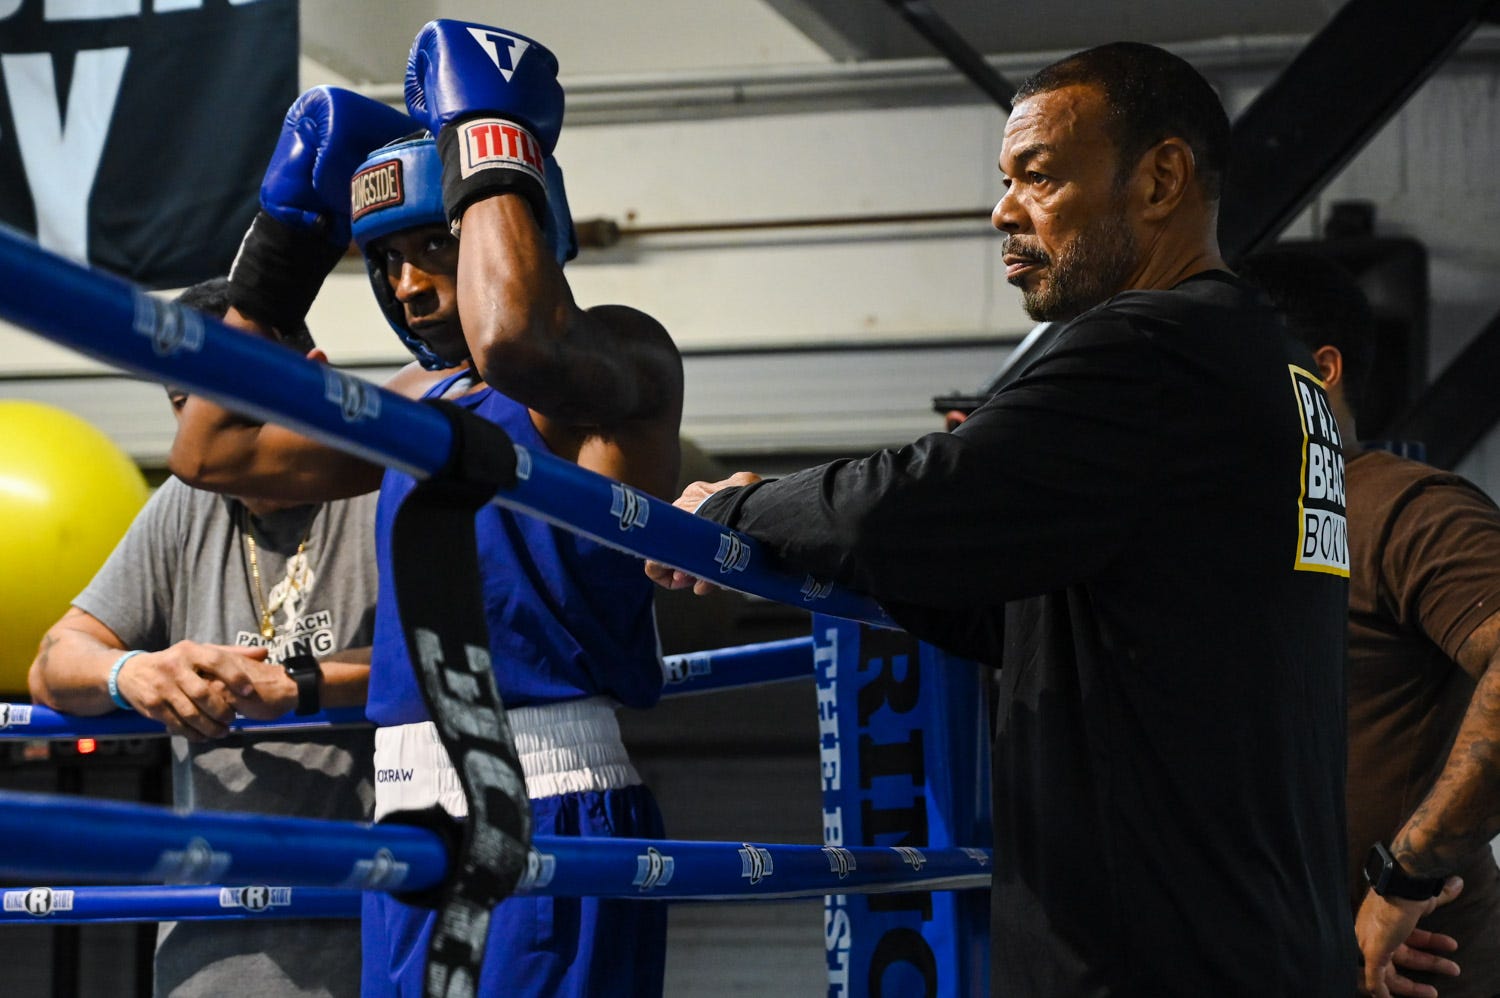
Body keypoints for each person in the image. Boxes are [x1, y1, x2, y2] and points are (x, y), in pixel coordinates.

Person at [649, 42, 1356, 994]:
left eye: (1041, 175)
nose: (1004, 210)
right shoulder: (1264, 364)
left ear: (1161, 178)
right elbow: (1027, 608)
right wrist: (802, 540)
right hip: (1251, 935)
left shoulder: (1153, 347)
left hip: (1162, 959)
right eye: (1007, 178)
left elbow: (909, 501)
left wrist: (739, 507)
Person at [168, 25, 682, 997]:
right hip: (406, 811)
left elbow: (516, 343)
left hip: (548, 792)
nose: (406, 284)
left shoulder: (623, 356)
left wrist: (489, 134)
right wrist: (287, 240)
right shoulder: (410, 400)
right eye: (387, 258)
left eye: (437, 246)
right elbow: (214, 449)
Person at [28, 276, 379, 998]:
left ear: (309, 378)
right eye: (183, 405)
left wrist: (305, 684)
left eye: (225, 396)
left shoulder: (389, 486)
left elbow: (475, 659)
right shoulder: (187, 504)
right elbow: (54, 659)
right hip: (207, 958)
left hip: (374, 938)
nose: (200, 437)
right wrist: (130, 672)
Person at [1239, 248, 1498, 998]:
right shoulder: (1225, 534)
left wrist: (1406, 878)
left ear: (1322, 373)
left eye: (1235, 363)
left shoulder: (1405, 509)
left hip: (1414, 971)